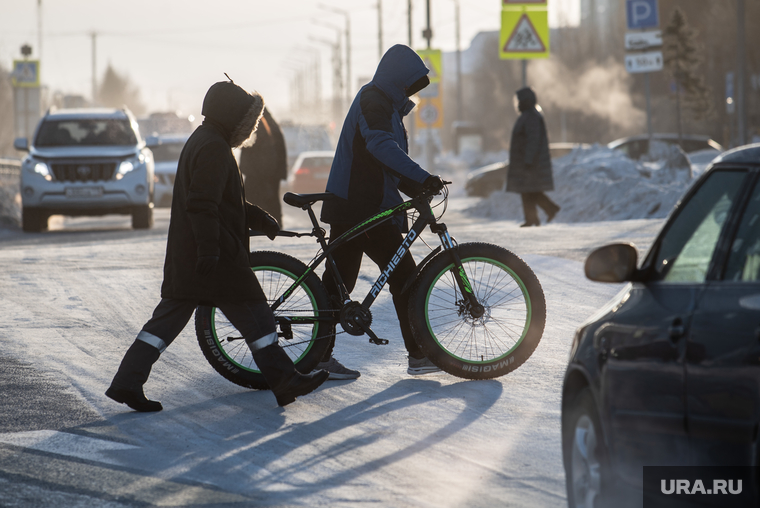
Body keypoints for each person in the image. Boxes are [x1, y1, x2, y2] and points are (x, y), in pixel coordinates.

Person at [105, 80, 328, 412]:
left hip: (193, 256)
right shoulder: (213, 148)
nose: (247, 130)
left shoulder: (207, 141)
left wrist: (259, 217)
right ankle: (284, 380)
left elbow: (225, 202)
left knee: (165, 323)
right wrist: (210, 249)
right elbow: (202, 205)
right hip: (215, 256)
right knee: (256, 314)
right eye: (244, 122)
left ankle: (127, 381)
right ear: (231, 118)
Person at [317, 44, 445, 379]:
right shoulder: (374, 100)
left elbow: (384, 164)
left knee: (338, 283)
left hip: (360, 206)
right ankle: (418, 355)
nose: (410, 91)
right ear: (398, 79)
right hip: (360, 208)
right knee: (405, 279)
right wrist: (422, 177)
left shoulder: (384, 104)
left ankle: (317, 357)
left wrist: (418, 186)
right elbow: (379, 146)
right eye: (409, 84)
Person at [506, 87, 560, 227]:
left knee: (531, 192)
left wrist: (528, 160)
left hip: (531, 164)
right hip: (528, 163)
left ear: (525, 101)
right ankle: (533, 218)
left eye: (519, 100)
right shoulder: (529, 115)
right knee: (528, 192)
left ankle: (548, 210)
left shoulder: (531, 117)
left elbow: (533, 140)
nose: (517, 103)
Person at [239, 107, 288, 226]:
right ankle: (275, 227)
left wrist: (246, 170)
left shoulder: (256, 127)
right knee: (272, 205)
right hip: (271, 177)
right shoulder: (274, 127)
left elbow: (249, 153)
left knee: (255, 205)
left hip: (258, 177)